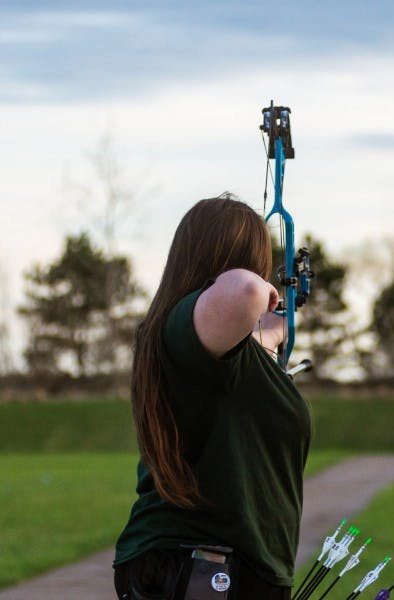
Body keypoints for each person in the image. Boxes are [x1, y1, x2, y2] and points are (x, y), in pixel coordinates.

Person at [113, 194, 311, 600]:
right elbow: (243, 292)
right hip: (199, 569)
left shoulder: (217, 347)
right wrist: (264, 290)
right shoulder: (183, 327)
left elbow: (246, 348)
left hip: (236, 571)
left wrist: (272, 333)